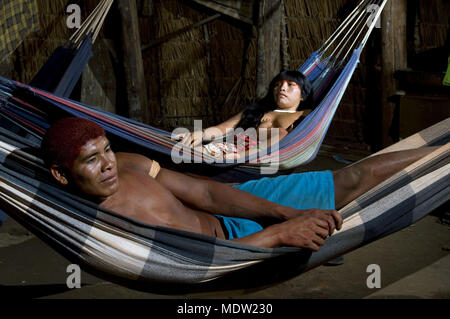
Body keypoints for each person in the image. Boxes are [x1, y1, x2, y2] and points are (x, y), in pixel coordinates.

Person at [42, 117, 437, 250]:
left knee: (353, 177)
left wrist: (285, 212)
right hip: (234, 248)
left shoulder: (128, 163)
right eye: (91, 161)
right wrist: (282, 232)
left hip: (231, 207)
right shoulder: (104, 227)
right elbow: (199, 264)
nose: (108, 165)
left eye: (106, 150)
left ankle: (445, 152)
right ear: (61, 174)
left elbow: (206, 192)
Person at [175, 70, 314, 157]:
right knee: (183, 149)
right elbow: (223, 128)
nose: (282, 88)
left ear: (303, 95)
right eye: (278, 85)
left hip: (256, 158)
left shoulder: (306, 115)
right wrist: (201, 133)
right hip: (229, 151)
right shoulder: (257, 109)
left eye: (290, 85)